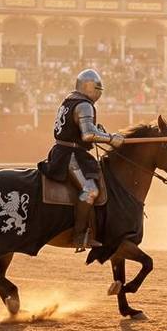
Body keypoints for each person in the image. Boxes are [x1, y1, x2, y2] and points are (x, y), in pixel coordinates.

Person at [42, 68, 124, 252]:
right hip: (70, 156)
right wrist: (111, 138)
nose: (99, 93)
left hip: (63, 151)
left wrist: (100, 132)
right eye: (98, 89)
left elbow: (82, 131)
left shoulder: (68, 101)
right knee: (90, 190)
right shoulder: (84, 105)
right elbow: (87, 135)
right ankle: (79, 235)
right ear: (90, 87)